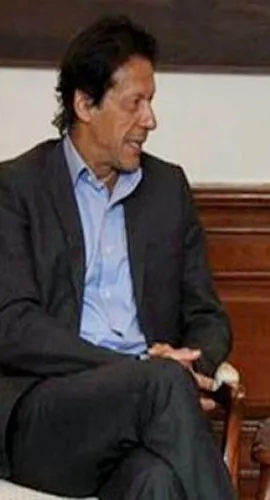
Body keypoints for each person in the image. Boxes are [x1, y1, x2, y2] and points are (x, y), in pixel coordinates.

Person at [0, 15, 236, 500]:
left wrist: (193, 365)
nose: (150, 120)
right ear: (85, 104)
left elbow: (207, 316)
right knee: (160, 384)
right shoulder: (17, 189)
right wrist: (131, 367)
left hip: (143, 415)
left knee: (156, 482)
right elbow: (14, 327)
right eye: (135, 103)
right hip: (47, 414)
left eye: (151, 102)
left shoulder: (167, 189)